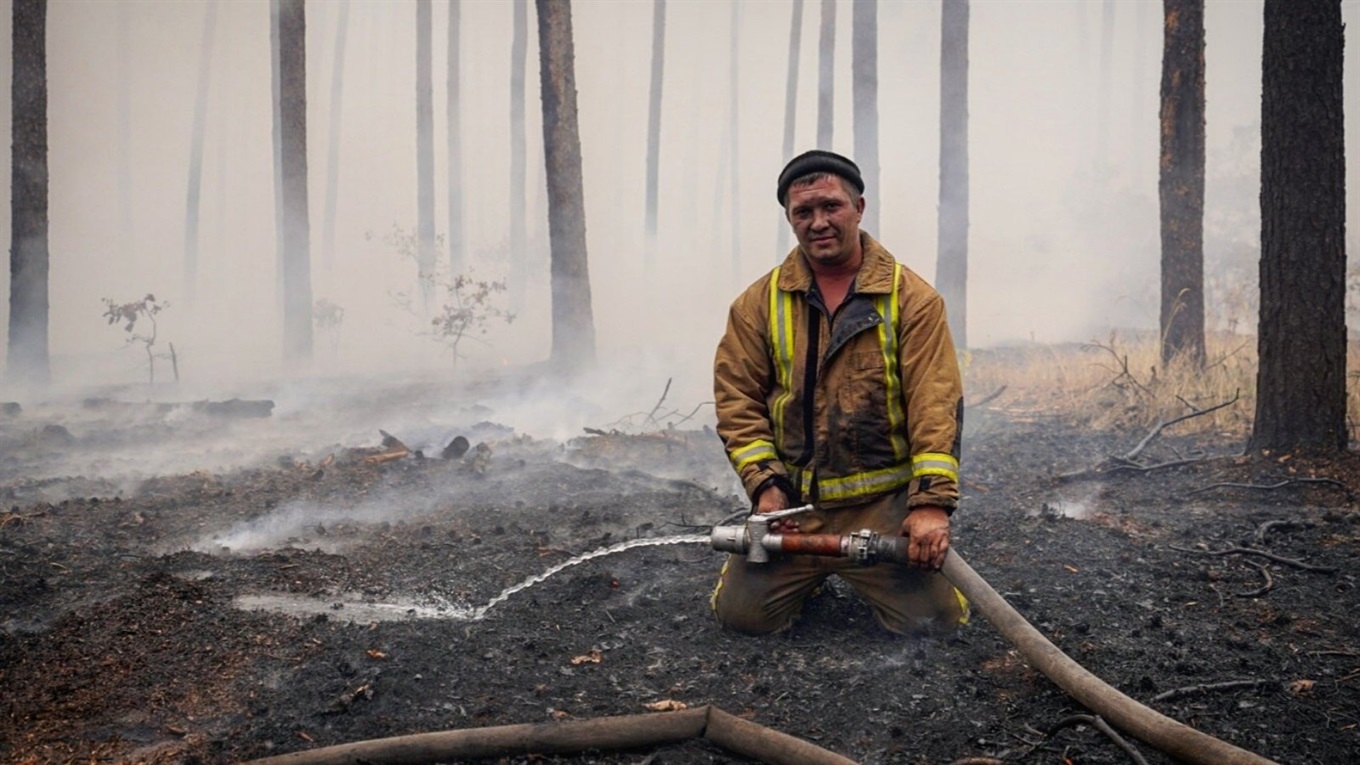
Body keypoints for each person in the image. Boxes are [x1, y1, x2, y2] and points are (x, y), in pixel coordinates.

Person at [710, 149, 968, 636]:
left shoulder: (913, 300)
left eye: (831, 206)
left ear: (859, 208)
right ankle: (805, 578)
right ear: (790, 218)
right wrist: (766, 487)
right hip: (794, 512)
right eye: (803, 212)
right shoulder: (756, 306)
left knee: (937, 626)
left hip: (884, 512)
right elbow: (737, 402)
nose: (818, 222)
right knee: (740, 621)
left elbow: (935, 407)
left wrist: (929, 505)